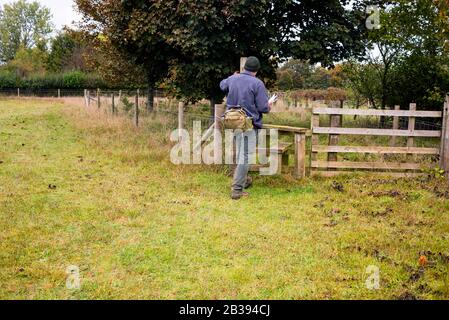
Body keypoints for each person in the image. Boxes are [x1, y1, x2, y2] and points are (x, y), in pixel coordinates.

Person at [219, 56, 272, 200]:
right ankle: (237, 190)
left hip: (233, 122)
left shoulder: (233, 78)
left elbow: (222, 85)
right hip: (248, 124)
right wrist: (269, 105)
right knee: (245, 156)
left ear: (244, 68)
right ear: (256, 70)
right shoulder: (257, 83)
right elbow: (263, 107)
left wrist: (232, 76)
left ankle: (245, 180)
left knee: (240, 155)